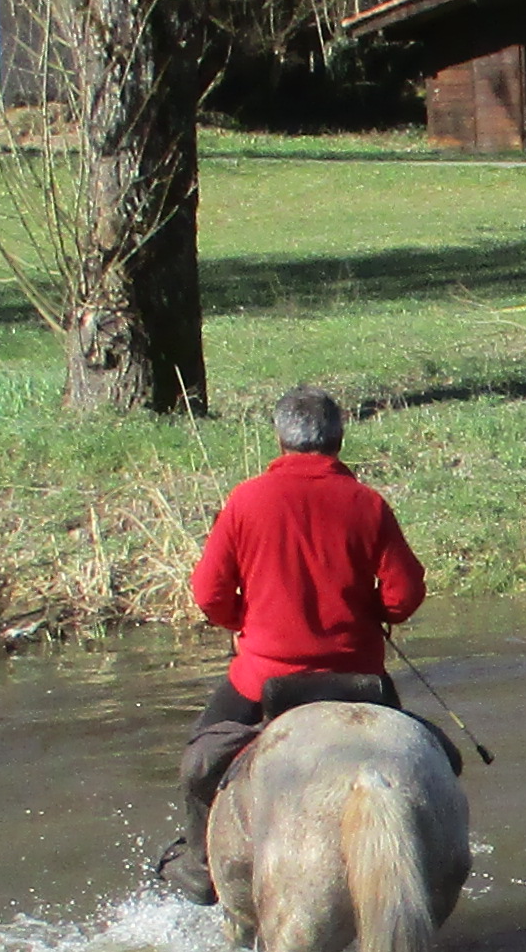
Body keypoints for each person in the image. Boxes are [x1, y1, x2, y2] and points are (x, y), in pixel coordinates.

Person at [161, 387, 427, 903]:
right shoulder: (368, 504)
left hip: (263, 679)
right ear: (339, 437)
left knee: (198, 763)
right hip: (359, 679)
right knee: (434, 759)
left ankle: (199, 867)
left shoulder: (247, 499)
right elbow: (406, 592)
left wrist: (243, 622)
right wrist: (378, 614)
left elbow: (208, 593)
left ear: (280, 438)